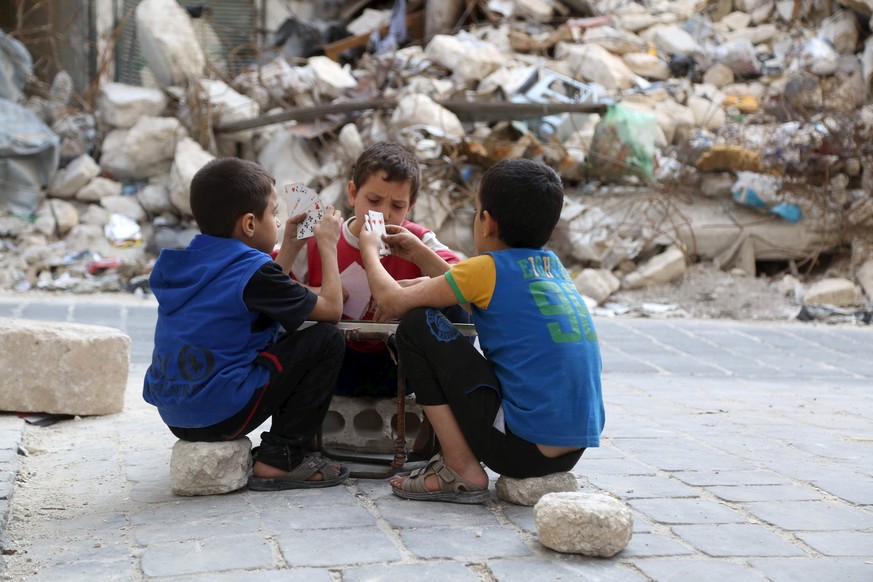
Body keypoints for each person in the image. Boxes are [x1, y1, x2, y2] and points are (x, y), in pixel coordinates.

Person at [358, 158, 605, 504]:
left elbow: (394, 301)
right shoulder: (551, 267)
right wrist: (419, 252)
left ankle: (458, 466)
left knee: (416, 326)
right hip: (570, 447)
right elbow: (469, 290)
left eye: (475, 212)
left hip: (521, 448)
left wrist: (368, 249)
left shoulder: (485, 269)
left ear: (486, 222)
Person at [143, 157, 350, 491]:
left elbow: (261, 289)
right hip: (221, 413)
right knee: (326, 339)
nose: (279, 220)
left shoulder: (189, 260)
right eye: (274, 212)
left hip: (176, 413)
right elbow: (332, 309)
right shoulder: (253, 271)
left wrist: (293, 245)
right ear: (250, 224)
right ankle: (281, 458)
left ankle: (281, 452)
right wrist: (328, 245)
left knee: (281, 330)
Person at [291, 142, 467, 400]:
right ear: (352, 193)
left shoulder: (416, 239)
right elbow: (272, 284)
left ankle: (443, 414)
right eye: (373, 200)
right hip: (335, 364)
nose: (383, 214)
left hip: (400, 366)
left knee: (458, 305)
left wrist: (418, 288)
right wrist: (318, 294)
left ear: (410, 206)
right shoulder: (323, 238)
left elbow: (467, 284)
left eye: (397, 206)